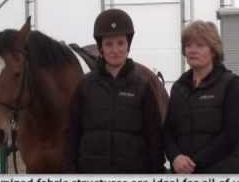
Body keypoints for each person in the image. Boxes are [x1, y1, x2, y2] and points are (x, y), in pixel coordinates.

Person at [63, 9, 164, 173]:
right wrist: (70, 173)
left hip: (133, 178)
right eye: (108, 44)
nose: (115, 50)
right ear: (100, 47)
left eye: (120, 43)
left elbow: (154, 136)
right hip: (92, 179)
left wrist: (155, 175)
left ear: (128, 45)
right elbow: (72, 133)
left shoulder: (143, 87)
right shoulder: (85, 86)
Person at [163, 20, 239, 174]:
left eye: (200, 45)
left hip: (222, 175)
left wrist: (194, 163)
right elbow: (168, 130)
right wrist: (175, 157)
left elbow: (231, 135)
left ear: (213, 50)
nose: (192, 50)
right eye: (188, 46)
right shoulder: (178, 88)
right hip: (184, 177)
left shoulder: (231, 84)